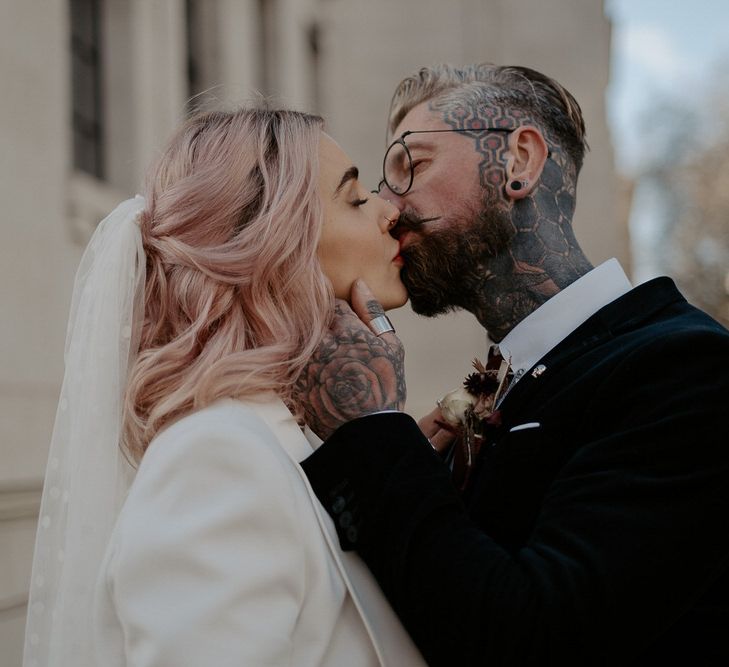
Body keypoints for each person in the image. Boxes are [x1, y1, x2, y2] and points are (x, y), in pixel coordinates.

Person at [296, 64, 729, 666]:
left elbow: (530, 640)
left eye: (409, 166)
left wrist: (369, 431)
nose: (387, 209)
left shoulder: (688, 369)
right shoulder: (499, 392)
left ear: (519, 163)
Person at [23, 108, 427, 667]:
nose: (391, 210)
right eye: (355, 199)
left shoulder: (287, 437)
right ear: (276, 249)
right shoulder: (216, 460)